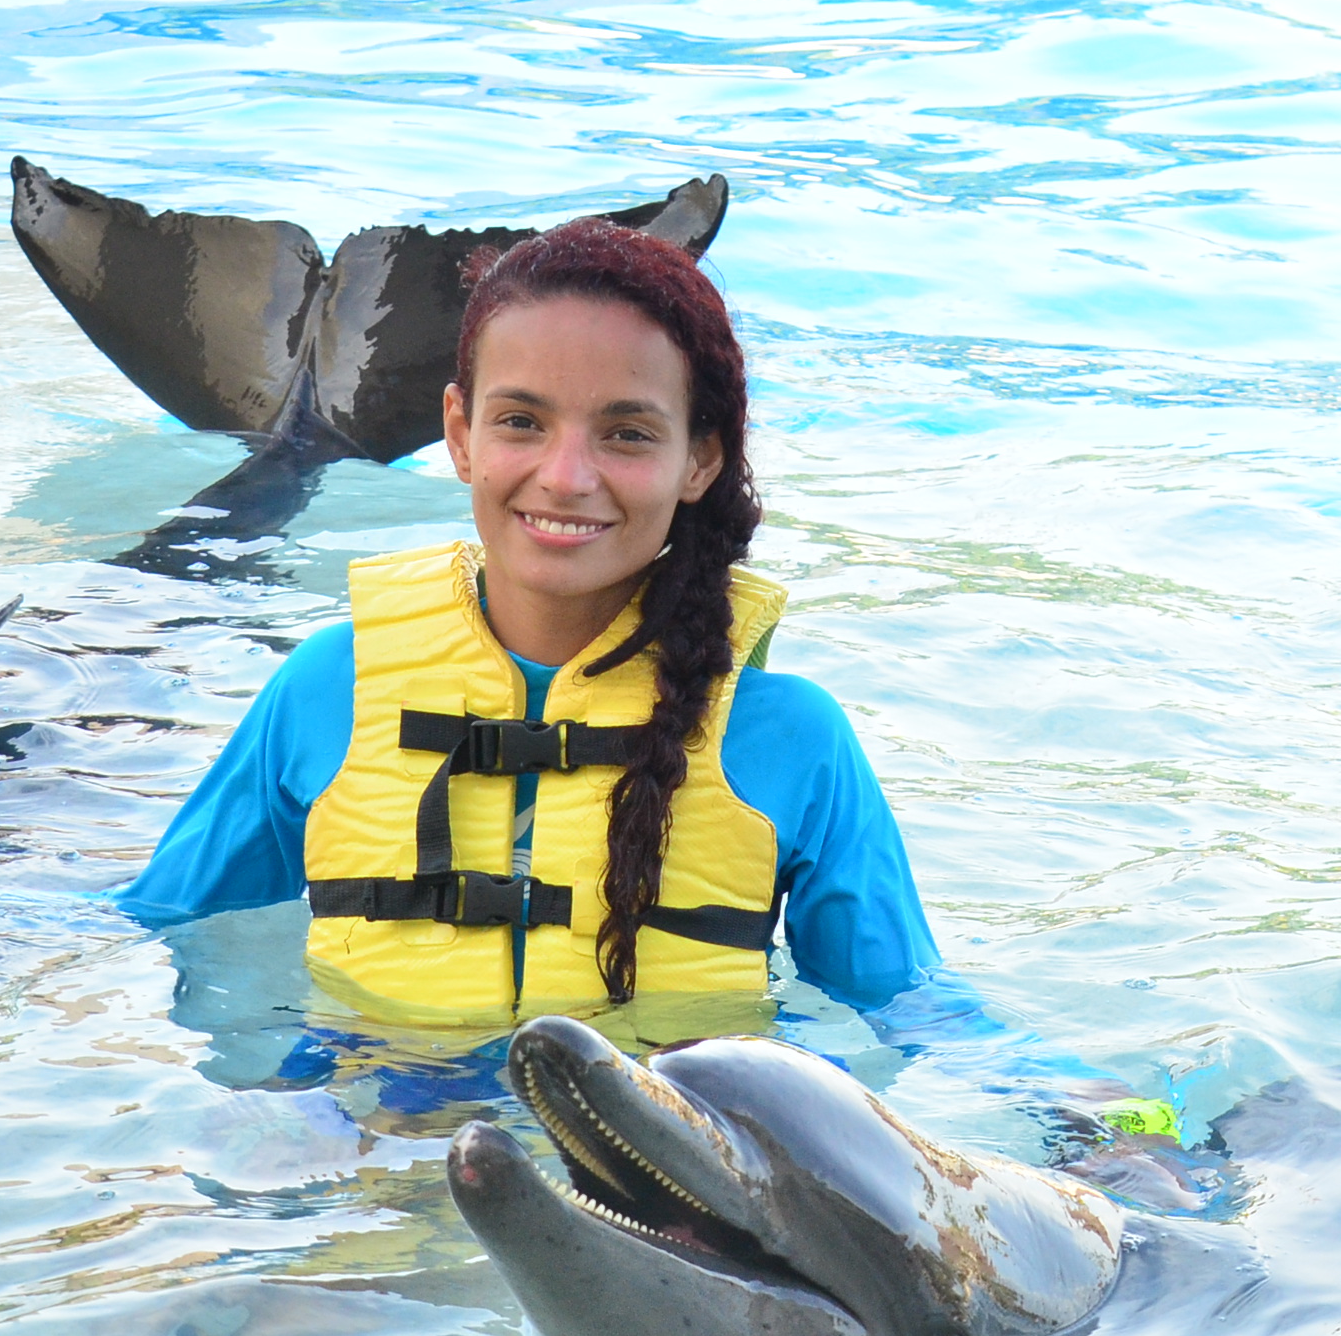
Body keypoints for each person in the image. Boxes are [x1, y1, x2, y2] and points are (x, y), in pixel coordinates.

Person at [117, 216, 938, 1035]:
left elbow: (916, 1015)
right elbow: (149, 936)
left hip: (645, 1162)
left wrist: (1059, 1118)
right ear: (460, 434)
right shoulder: (328, 688)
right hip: (377, 1143)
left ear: (702, 459)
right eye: (521, 422)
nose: (567, 476)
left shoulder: (792, 739)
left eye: (627, 434)